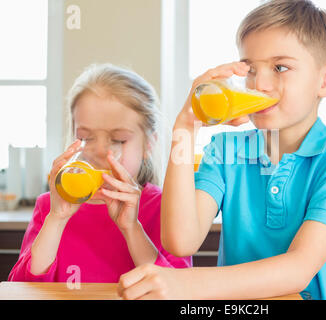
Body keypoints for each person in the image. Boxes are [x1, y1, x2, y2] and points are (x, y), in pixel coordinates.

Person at [118, 0, 326, 300]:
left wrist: (185, 284)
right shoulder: (224, 150)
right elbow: (180, 242)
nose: (259, 83)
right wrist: (185, 128)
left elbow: (298, 270)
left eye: (280, 67)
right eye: (250, 69)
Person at [9, 64, 192, 283]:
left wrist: (132, 229)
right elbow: (22, 290)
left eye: (117, 140)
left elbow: (179, 292)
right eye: (86, 138)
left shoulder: (166, 208)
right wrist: (56, 221)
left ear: (148, 144)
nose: (99, 152)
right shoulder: (49, 208)